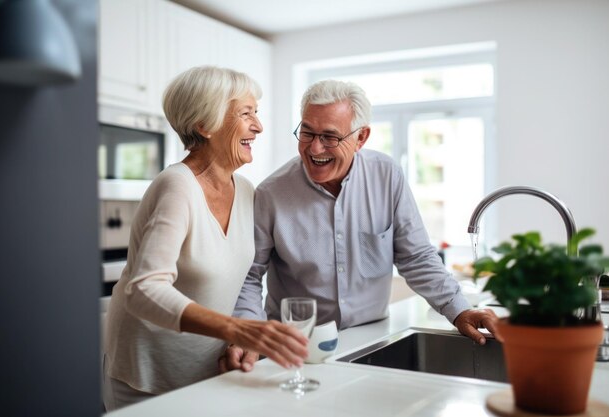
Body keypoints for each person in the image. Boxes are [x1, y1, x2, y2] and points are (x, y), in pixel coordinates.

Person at [220, 79, 498, 372]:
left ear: (361, 137)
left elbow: (415, 257)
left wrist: (460, 310)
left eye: (330, 136)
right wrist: (246, 333)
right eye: (307, 132)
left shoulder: (386, 175)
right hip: (298, 348)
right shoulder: (271, 193)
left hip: (373, 341)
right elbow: (250, 276)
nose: (315, 148)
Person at [103, 66, 308, 411]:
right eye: (246, 114)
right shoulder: (177, 186)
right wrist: (238, 329)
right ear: (205, 125)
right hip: (150, 379)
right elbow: (144, 290)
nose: (258, 126)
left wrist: (243, 341)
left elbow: (242, 281)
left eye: (256, 114)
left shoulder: (246, 192)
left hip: (212, 374)